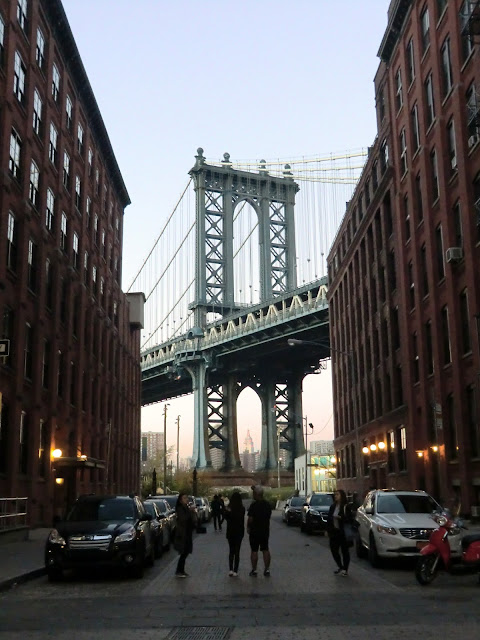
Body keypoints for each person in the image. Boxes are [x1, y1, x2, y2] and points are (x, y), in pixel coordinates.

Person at [326, 488, 353, 577]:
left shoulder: (346, 506)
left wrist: (341, 518)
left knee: (345, 551)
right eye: (335, 495)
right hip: (334, 532)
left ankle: (345, 569)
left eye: (337, 494)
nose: (336, 496)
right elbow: (329, 519)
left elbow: (350, 519)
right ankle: (340, 566)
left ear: (342, 496)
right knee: (334, 550)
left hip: (343, 532)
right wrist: (327, 530)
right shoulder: (333, 506)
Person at [247, 485, 272, 577]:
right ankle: (267, 569)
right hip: (265, 530)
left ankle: (254, 570)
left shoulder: (253, 505)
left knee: (254, 550)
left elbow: (250, 519)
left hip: (254, 531)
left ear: (256, 494)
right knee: (265, 549)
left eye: (254, 493)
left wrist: (248, 527)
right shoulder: (267, 505)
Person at [174, 492, 197, 577]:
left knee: (186, 552)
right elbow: (183, 519)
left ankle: (181, 570)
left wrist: (193, 513)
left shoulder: (186, 507)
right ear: (180, 500)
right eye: (184, 498)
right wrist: (190, 512)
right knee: (183, 552)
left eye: (187, 498)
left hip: (187, 532)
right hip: (182, 534)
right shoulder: (180, 508)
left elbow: (192, 520)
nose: (186, 499)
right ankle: (179, 571)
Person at [222, 491, 245, 576]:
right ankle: (236, 570)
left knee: (231, 551)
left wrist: (228, 511)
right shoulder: (242, 509)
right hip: (239, 532)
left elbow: (226, 517)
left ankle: (230, 569)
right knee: (237, 551)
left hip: (230, 531)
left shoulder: (229, 508)